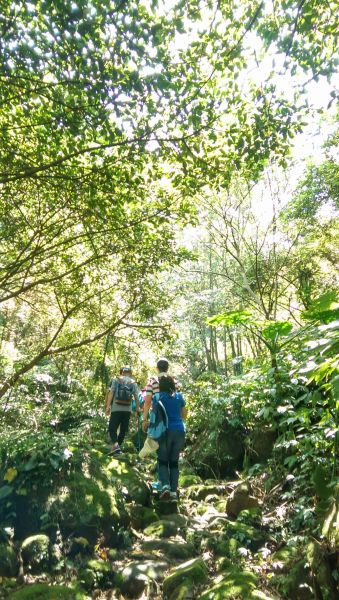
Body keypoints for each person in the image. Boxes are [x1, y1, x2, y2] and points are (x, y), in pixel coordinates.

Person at [142, 358, 187, 500]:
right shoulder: (178, 396)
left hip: (164, 430)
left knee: (162, 459)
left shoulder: (158, 396)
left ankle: (165, 486)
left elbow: (149, 404)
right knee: (174, 461)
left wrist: (145, 420)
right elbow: (184, 413)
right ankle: (174, 492)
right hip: (179, 430)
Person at [105, 366, 140, 455]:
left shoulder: (116, 380)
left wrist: (108, 406)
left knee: (112, 428)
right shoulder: (133, 383)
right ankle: (118, 448)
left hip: (116, 408)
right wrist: (137, 409)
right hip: (127, 410)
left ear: (122, 372)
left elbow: (111, 393)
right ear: (130, 373)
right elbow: (136, 396)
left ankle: (116, 447)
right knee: (123, 430)